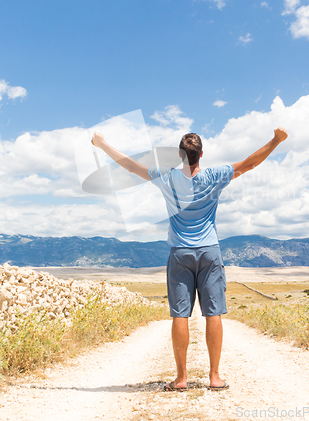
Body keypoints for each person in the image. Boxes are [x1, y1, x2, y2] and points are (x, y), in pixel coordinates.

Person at [91, 126, 288, 392]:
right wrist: (275, 140)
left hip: (179, 252)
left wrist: (103, 144)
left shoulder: (167, 177)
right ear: (201, 155)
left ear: (181, 156)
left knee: (180, 315)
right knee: (213, 312)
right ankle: (215, 377)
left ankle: (181, 378)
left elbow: (130, 166)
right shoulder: (215, 175)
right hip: (209, 251)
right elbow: (250, 164)